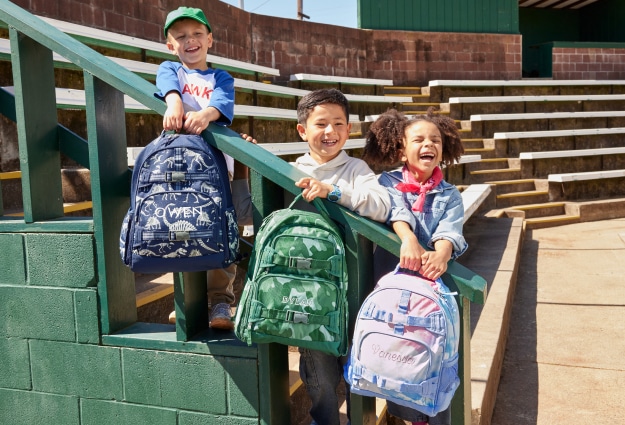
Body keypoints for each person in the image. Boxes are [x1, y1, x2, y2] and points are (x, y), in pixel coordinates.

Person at [286, 88, 391, 425]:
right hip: (309, 292)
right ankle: (325, 420)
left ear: (348, 130)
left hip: (353, 288)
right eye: (321, 124)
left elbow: (381, 205)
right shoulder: (287, 170)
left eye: (338, 124)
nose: (330, 132)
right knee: (318, 370)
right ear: (303, 130)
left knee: (357, 360)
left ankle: (360, 419)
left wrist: (332, 191)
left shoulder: (356, 168)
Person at [362, 109, 468, 425]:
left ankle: (432, 418)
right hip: (393, 295)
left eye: (435, 140)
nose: (428, 145)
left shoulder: (449, 193)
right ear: (401, 150)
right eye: (419, 139)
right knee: (399, 358)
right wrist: (407, 238)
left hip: (430, 297)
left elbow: (451, 228)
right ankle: (410, 417)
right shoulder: (387, 181)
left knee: (433, 359)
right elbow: (395, 209)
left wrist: (443, 251)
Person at [155, 6, 252, 330]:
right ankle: (186, 298)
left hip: (216, 169)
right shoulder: (172, 70)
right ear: (171, 45)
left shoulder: (220, 77)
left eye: (197, 34)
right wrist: (175, 102)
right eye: (180, 36)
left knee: (222, 232)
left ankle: (220, 302)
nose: (190, 41)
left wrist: (206, 114)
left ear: (209, 39)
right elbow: (167, 83)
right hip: (180, 172)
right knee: (182, 230)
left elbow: (222, 102)